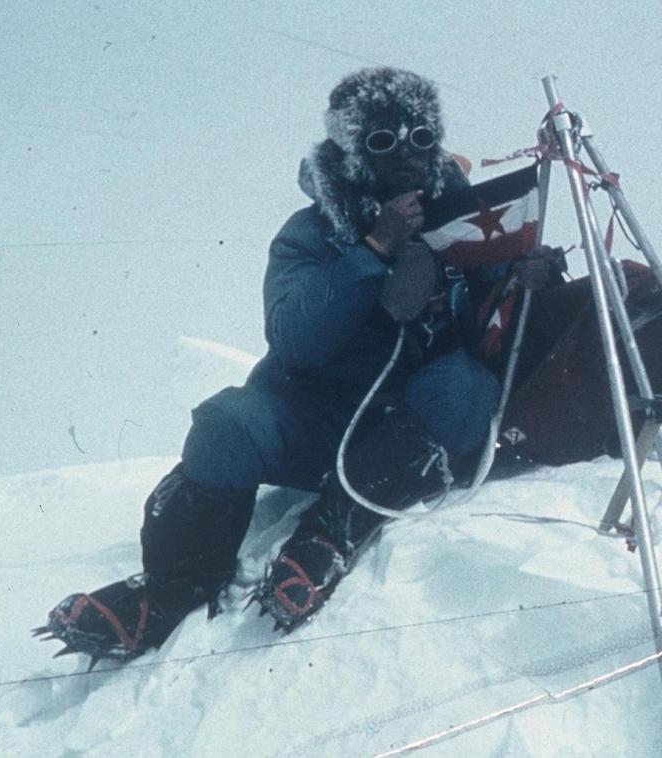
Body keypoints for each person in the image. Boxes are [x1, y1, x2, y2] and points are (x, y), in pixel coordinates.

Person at [38, 67, 569, 663]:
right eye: (382, 141)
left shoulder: (463, 221)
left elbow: (494, 318)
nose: (406, 155)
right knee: (226, 424)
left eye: (420, 138)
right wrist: (371, 253)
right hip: (315, 419)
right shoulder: (311, 233)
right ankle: (166, 591)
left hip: (405, 427)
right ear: (351, 150)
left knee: (465, 390)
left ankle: (326, 538)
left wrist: (528, 281)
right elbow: (296, 339)